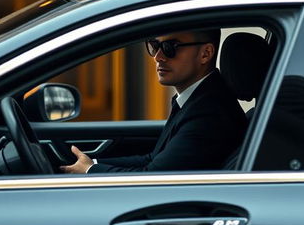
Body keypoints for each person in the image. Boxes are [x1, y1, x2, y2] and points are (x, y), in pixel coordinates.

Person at [61, 29, 247, 173]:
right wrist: (92, 162)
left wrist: (89, 171)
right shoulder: (199, 98)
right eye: (154, 45)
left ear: (205, 54)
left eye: (170, 47)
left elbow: (153, 177)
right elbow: (153, 159)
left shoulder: (209, 113)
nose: (158, 56)